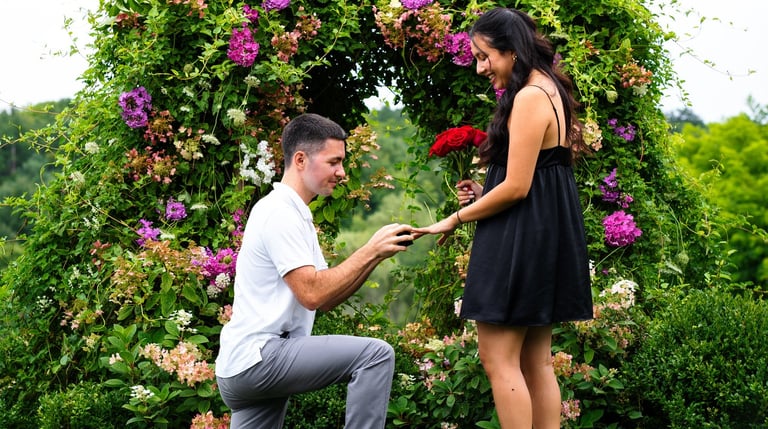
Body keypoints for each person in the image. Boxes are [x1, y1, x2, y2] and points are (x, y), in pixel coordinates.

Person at [413, 8, 593, 429]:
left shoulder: (530, 96)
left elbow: (517, 188)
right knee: (536, 362)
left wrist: (455, 218)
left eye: (484, 56)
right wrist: (482, 193)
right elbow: (535, 175)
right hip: (540, 230)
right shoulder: (549, 89)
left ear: (512, 51)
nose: (479, 68)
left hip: (520, 239)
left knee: (499, 361)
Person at [215, 113, 415, 428]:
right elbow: (312, 293)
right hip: (261, 356)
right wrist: (370, 249)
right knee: (375, 355)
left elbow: (326, 298)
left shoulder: (295, 214)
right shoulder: (279, 213)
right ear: (300, 160)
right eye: (334, 162)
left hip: (241, 366)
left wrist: (378, 255)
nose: (342, 172)